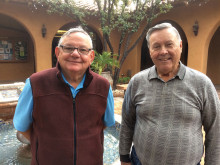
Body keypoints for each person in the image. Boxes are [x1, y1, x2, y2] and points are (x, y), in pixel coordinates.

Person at [119, 22, 220, 165]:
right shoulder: (137, 82)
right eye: (156, 46)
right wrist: (124, 158)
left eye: (169, 44)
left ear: (180, 46)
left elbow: (215, 130)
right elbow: (127, 123)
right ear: (150, 51)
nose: (163, 51)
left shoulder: (202, 84)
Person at [13, 26, 115, 165]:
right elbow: (22, 127)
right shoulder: (35, 83)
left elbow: (104, 124)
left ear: (91, 56)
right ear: (58, 52)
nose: (75, 54)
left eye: (83, 50)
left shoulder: (103, 87)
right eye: (68, 48)